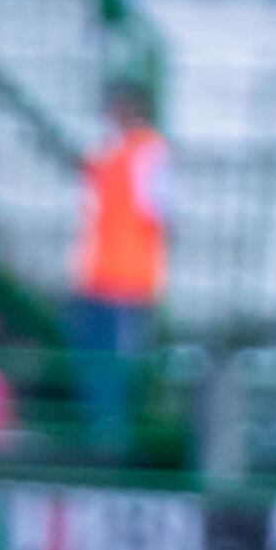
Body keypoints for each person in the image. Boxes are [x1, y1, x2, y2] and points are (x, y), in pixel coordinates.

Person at [69, 79, 170, 458]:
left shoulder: (148, 153)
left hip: (127, 278)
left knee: (115, 362)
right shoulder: (110, 151)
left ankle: (112, 441)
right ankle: (98, 432)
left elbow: (159, 210)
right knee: (93, 361)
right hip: (96, 273)